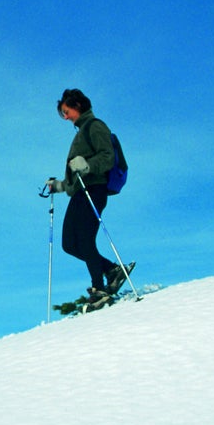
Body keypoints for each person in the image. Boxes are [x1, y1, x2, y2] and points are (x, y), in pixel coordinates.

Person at [43, 89, 133, 304]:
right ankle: (111, 270)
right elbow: (77, 174)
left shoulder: (95, 126)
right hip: (81, 192)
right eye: (62, 114)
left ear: (78, 106)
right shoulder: (80, 132)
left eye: (66, 111)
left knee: (84, 239)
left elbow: (107, 157)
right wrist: (59, 186)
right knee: (69, 244)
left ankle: (99, 288)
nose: (65, 117)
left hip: (95, 189)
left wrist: (87, 165)